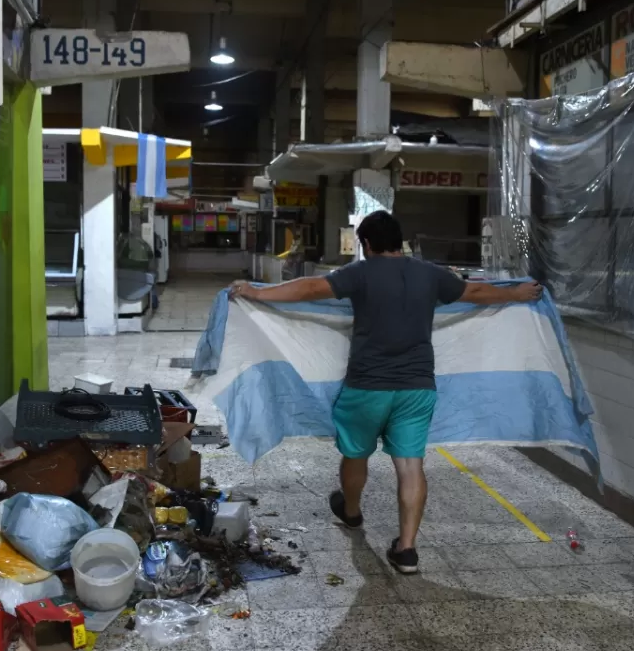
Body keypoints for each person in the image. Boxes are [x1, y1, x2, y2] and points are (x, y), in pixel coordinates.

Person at [230, 210, 542, 573]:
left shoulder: (359, 273)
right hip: (417, 388)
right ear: (400, 242)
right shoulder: (430, 274)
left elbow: (311, 288)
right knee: (411, 466)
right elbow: (474, 291)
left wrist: (255, 292)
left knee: (355, 455)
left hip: (366, 387)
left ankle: (351, 511)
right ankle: (407, 550)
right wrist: (517, 294)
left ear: (366, 245)